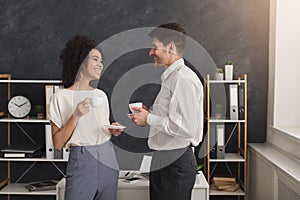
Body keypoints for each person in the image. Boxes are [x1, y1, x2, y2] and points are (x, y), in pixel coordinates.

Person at [130, 23, 204, 200]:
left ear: (171, 47)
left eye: (155, 47)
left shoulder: (183, 79)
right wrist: (150, 115)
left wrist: (149, 119)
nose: (151, 52)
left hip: (175, 164)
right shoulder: (172, 78)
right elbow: (173, 118)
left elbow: (186, 128)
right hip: (165, 161)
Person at [48, 35, 123, 200]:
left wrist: (112, 130)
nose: (100, 64)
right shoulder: (60, 98)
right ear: (81, 62)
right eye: (95, 59)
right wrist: (76, 115)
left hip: (108, 158)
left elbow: (100, 129)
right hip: (82, 160)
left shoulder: (100, 95)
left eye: (101, 61)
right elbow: (58, 143)